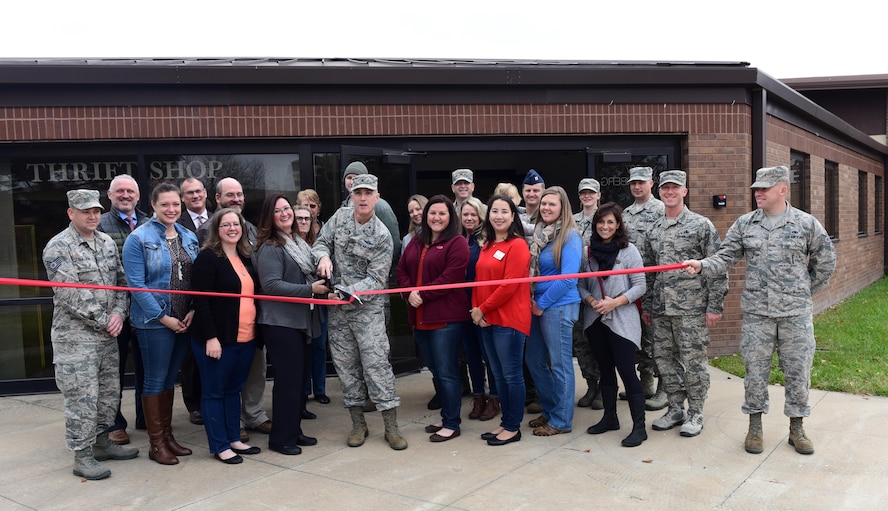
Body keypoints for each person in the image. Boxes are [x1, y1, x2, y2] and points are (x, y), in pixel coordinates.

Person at [684, 165, 836, 455]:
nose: (758, 193)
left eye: (764, 188)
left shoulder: (805, 224)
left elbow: (826, 261)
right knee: (755, 372)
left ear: (782, 189)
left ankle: (797, 427)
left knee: (798, 372)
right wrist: (702, 265)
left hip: (795, 315)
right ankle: (754, 426)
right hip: (757, 315)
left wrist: (803, 292)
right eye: (756, 188)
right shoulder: (745, 224)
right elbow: (725, 257)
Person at [42, 189, 139, 480]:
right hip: (76, 339)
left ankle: (102, 442)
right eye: (85, 211)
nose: (93, 216)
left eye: (96, 210)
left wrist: (120, 314)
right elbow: (69, 294)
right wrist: (105, 319)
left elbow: (122, 283)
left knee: (108, 394)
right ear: (71, 213)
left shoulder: (107, 242)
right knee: (81, 397)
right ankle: (82, 455)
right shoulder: (58, 247)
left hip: (107, 336)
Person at [314, 173, 408, 450]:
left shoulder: (382, 235)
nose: (363, 198)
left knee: (377, 366)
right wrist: (323, 256)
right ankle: (358, 424)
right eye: (358, 193)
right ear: (351, 196)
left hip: (367, 312)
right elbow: (321, 242)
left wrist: (342, 292)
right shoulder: (339, 218)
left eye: (368, 193)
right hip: (338, 314)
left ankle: (391, 425)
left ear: (377, 197)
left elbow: (376, 280)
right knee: (346, 368)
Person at [642, 170, 728, 438]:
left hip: (691, 309)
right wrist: (647, 306)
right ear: (660, 192)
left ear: (684, 192)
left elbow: (717, 267)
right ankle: (676, 408)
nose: (669, 192)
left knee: (694, 363)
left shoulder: (701, 225)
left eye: (675, 188)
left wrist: (715, 306)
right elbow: (649, 271)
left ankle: (696, 412)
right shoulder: (653, 229)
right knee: (665, 361)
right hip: (660, 309)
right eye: (665, 188)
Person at [122, 182, 200, 465]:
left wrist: (192, 310)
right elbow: (137, 286)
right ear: (153, 206)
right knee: (155, 379)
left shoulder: (189, 236)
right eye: (165, 204)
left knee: (170, 379)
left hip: (184, 320)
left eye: (176, 204)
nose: (171, 209)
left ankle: (167, 437)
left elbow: (195, 280)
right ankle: (156, 444)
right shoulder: (138, 238)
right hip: (154, 323)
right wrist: (164, 318)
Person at [199, 177, 272, 441]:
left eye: (240, 194)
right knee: (221, 387)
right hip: (223, 332)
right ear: (217, 199)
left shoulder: (248, 239)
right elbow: (203, 297)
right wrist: (210, 336)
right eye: (230, 195)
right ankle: (228, 433)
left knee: (247, 377)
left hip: (249, 329)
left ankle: (248, 421)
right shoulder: (207, 247)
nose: (237, 199)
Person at [255, 195, 328, 456]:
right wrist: (310, 289)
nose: (285, 213)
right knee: (287, 382)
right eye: (278, 210)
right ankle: (280, 438)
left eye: (287, 208)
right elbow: (271, 286)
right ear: (269, 217)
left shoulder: (298, 242)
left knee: (298, 382)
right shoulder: (271, 247)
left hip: (301, 322)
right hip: (280, 323)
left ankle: (294, 431)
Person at [190, 208, 262, 464]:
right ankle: (219, 445)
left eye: (236, 224)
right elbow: (202, 302)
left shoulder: (245, 256)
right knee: (214, 392)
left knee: (234, 390)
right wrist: (211, 337)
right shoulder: (207, 258)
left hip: (245, 337)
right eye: (226, 225)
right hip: (217, 340)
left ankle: (234, 439)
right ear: (216, 230)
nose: (232, 228)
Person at [397, 195, 470, 442]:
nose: (436, 218)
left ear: (450, 217)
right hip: (419, 317)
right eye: (432, 213)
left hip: (445, 320)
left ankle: (452, 423)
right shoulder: (417, 240)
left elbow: (451, 277)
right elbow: (401, 270)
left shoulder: (457, 242)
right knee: (437, 372)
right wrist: (409, 293)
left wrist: (422, 294)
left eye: (442, 213)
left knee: (447, 371)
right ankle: (447, 415)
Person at [578, 202, 648, 447]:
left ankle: (640, 427)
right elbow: (579, 284)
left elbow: (640, 285)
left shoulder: (629, 251)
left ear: (618, 225)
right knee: (605, 369)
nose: (605, 226)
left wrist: (615, 302)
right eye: (601, 221)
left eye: (610, 222)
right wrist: (591, 300)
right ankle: (610, 418)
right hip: (595, 319)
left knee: (627, 371)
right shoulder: (587, 253)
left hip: (622, 320)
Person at [471, 195, 532, 446]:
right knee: (497, 374)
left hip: (509, 320)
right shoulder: (487, 245)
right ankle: (506, 421)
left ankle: (513, 426)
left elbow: (509, 286)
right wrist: (477, 310)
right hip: (487, 319)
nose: (498, 216)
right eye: (494, 211)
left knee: (511, 375)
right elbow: (478, 281)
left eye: (504, 211)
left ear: (513, 216)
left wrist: (482, 308)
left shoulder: (517, 245)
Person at [525, 186, 582, 436]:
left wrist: (541, 303)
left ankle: (561, 420)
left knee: (560, 364)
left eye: (552, 204)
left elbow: (568, 278)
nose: (546, 208)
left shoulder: (569, 236)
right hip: (537, 305)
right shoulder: (539, 234)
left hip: (558, 306)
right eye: (544, 203)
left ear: (562, 208)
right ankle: (550, 409)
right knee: (534, 360)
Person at [97, 174, 149, 445]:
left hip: (145, 309)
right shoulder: (100, 224)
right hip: (113, 311)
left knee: (147, 367)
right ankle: (115, 423)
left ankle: (146, 417)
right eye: (120, 191)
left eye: (130, 191)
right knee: (113, 370)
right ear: (110, 195)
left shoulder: (151, 223)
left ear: (138, 196)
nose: (125, 195)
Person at [623, 166, 667, 410]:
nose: (637, 187)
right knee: (637, 336)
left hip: (654, 286)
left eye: (641, 182)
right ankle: (645, 382)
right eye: (633, 183)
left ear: (651, 183)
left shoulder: (661, 210)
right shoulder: (626, 214)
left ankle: (665, 388)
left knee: (657, 338)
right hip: (631, 285)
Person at [177, 177, 213, 427]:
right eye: (189, 193)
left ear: (206, 192)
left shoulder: (220, 217)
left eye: (198, 191)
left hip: (216, 295)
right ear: (182, 198)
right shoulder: (176, 223)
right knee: (190, 357)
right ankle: (194, 404)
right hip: (188, 298)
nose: (195, 196)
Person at [461, 196, 499, 421]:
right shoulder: (458, 240)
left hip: (483, 308)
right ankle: (478, 398)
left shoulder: (487, 242)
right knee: (472, 356)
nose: (469, 218)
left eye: (473, 214)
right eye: (465, 214)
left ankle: (494, 398)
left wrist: (483, 308)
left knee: (489, 355)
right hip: (463, 308)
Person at [294, 204, 330, 405]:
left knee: (319, 347)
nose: (304, 222)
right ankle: (304, 390)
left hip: (320, 302)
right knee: (302, 349)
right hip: (298, 304)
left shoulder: (320, 244)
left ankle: (320, 389)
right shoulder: (288, 244)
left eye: (307, 219)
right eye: (299, 218)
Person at [572, 178, 603, 410]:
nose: (587, 196)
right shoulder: (572, 221)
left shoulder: (605, 220)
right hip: (576, 289)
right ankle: (591, 384)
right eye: (583, 193)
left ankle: (604, 387)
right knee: (580, 342)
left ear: (598, 195)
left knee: (599, 341)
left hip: (599, 289)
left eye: (591, 192)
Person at [519, 169, 544, 414]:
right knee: (525, 342)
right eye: (528, 190)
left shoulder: (548, 214)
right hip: (519, 285)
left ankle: (541, 392)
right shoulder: (514, 215)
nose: (532, 194)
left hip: (540, 285)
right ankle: (528, 392)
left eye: (536, 190)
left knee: (541, 343)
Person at [340, 161, 401, 263]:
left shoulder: (381, 206)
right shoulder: (343, 207)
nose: (352, 182)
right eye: (349, 178)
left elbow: (394, 242)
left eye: (356, 178)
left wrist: (386, 267)